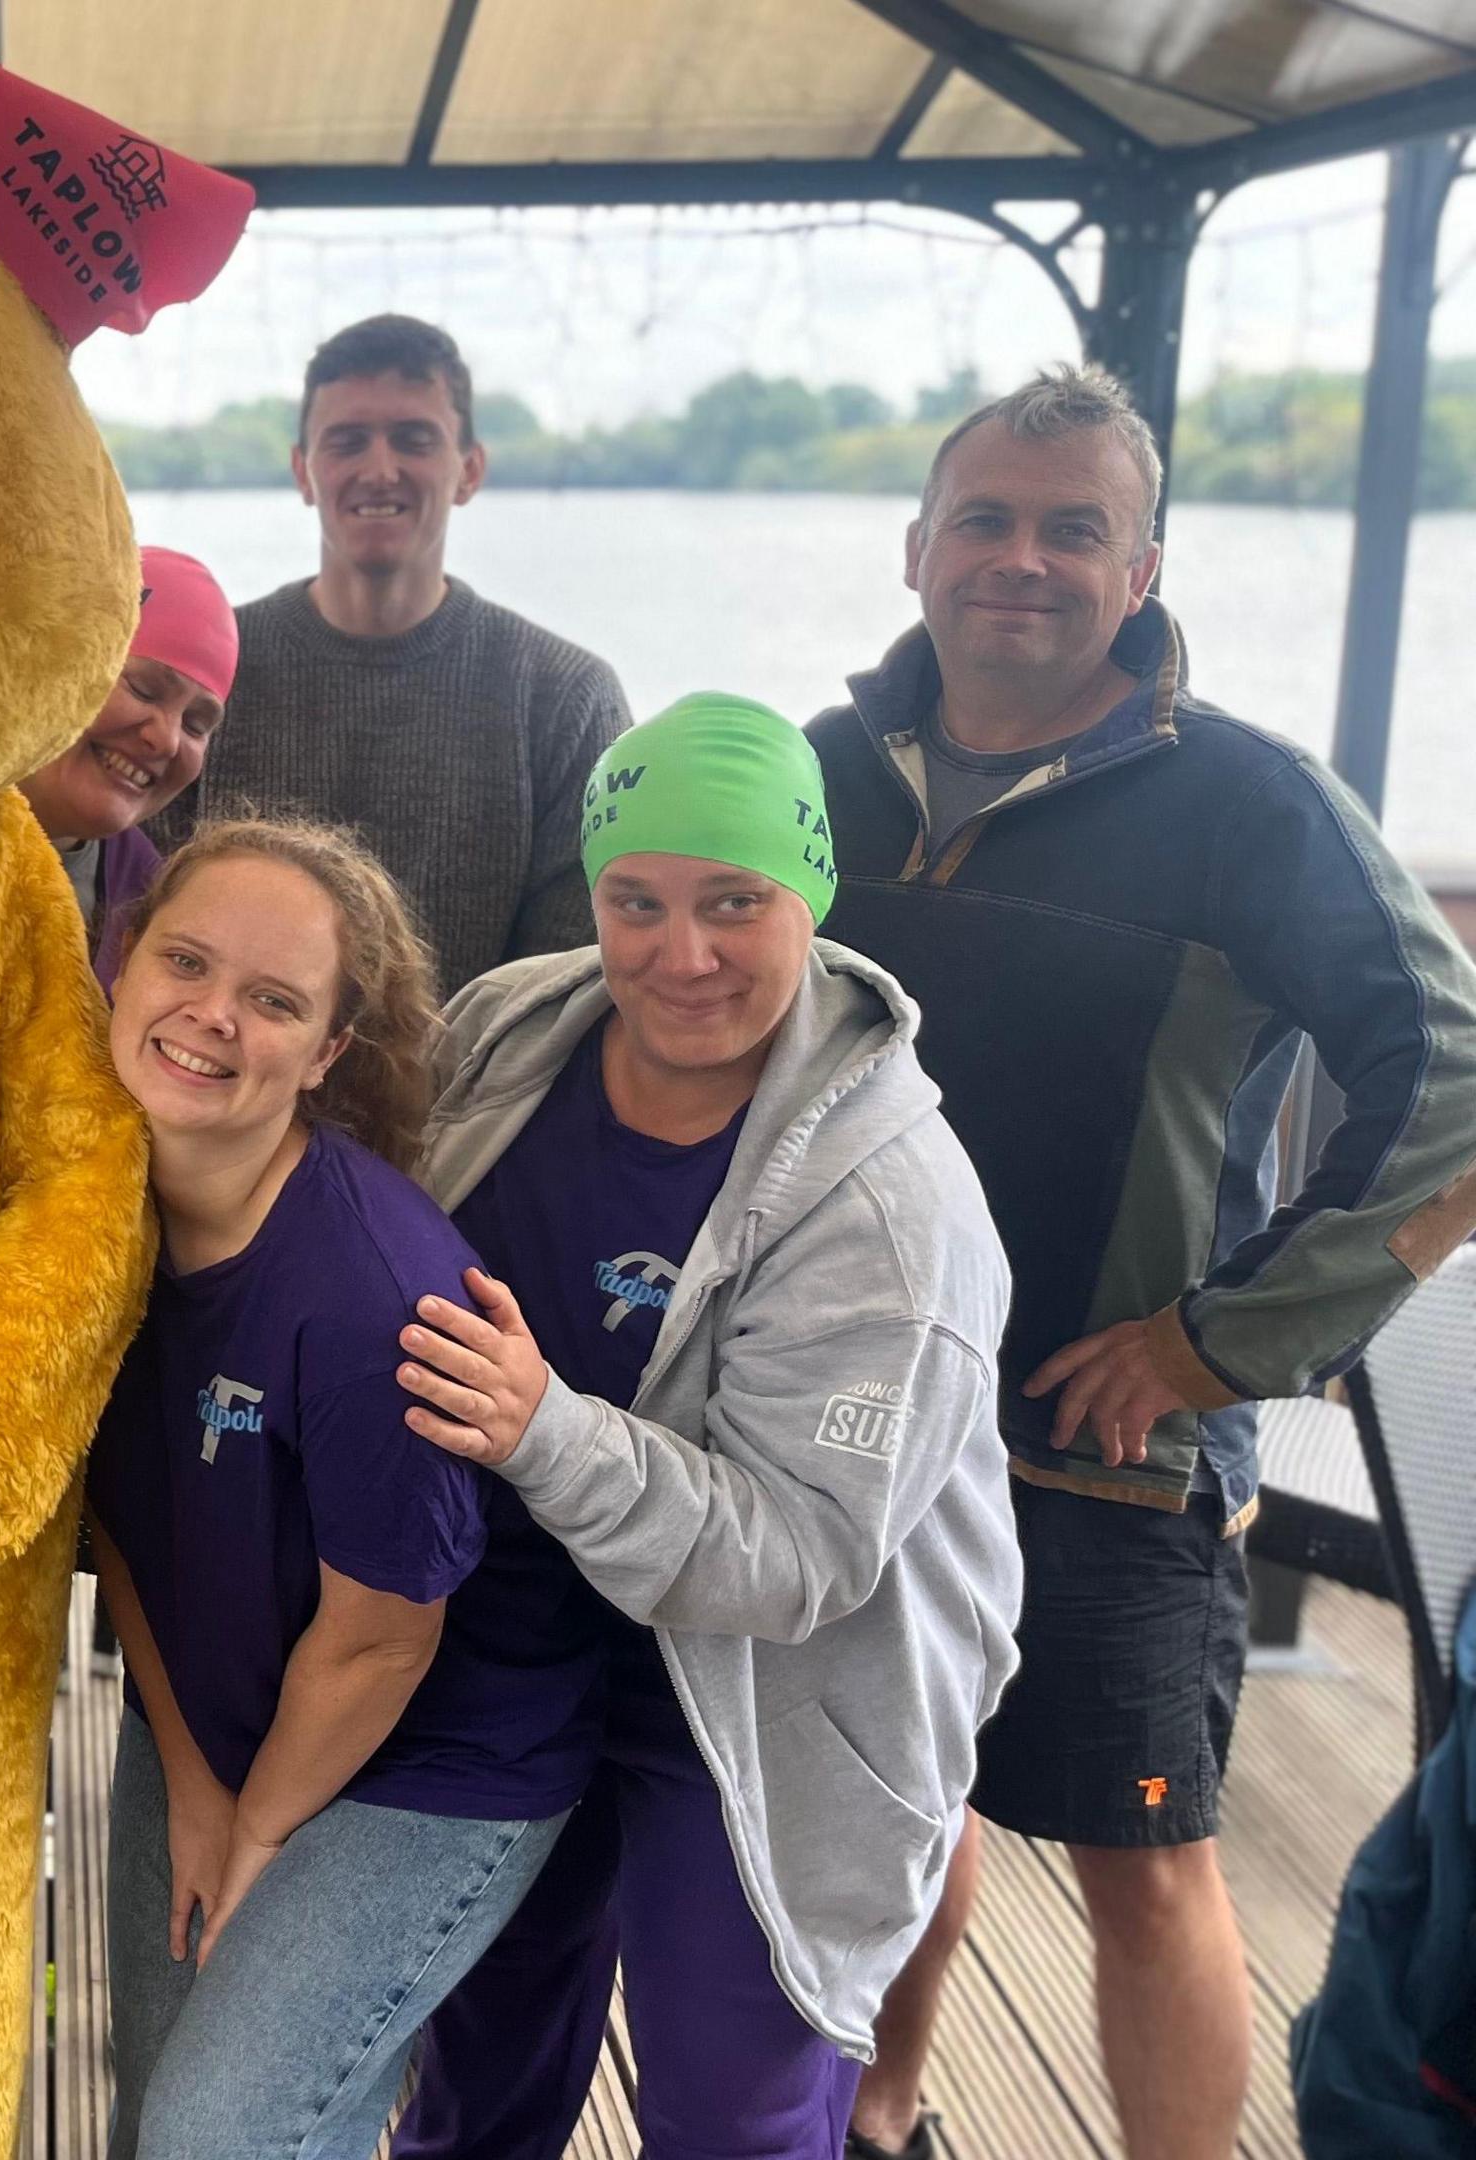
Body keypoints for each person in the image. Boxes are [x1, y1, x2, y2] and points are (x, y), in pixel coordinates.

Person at [813, 366, 1476, 2160]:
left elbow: (1455, 1087)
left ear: (1145, 564)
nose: (1020, 560)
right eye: (987, 520)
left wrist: (1218, 1345)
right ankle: (878, 2120)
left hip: (1105, 1441)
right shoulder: (816, 780)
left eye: (1072, 529)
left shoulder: (1247, 806)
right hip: (855, 1423)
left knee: (1149, 1861)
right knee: (893, 1804)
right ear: (917, 545)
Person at [379, 693, 1021, 2160]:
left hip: (763, 1699)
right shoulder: (510, 1029)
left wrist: (544, 1427)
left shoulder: (893, 1212)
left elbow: (798, 1557)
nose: (685, 954)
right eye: (639, 901)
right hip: (513, 1647)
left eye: (736, 901)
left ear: (812, 892)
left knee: (731, 2119)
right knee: (474, 2081)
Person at [87, 820, 593, 2160]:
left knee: (222, 2131)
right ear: (122, 964)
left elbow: (385, 1639)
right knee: (151, 2090)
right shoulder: (83, 1219)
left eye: (273, 1001)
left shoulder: (372, 1300)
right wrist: (195, 1781)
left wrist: (257, 1831)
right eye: (186, 964)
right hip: (220, 1699)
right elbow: (120, 1524)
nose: (211, 1018)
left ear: (324, 1055)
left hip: (431, 1749)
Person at [146, 315, 631, 992]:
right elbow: (137, 919)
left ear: (469, 471)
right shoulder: (206, 677)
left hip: (481, 1098)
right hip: (220, 1086)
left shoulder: (565, 696)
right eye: (347, 442)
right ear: (303, 471)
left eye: (414, 440)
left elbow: (567, 982)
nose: (380, 470)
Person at [20, 545, 235, 985]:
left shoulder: (150, 901)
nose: (166, 738)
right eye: (143, 690)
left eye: (196, 724)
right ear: (53, 663)